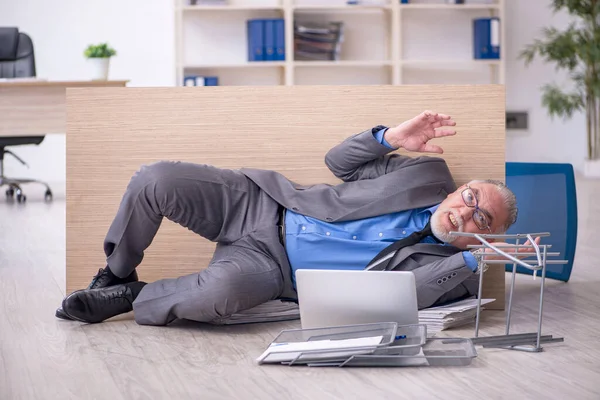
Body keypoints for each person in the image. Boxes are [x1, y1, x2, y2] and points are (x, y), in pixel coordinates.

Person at [57, 110, 533, 326]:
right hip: (264, 201)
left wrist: (474, 262)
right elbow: (339, 163)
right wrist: (388, 137)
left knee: (221, 294)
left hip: (273, 268)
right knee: (155, 178)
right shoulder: (426, 173)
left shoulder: (457, 276)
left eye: (482, 220)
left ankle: (132, 297)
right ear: (456, 187)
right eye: (470, 196)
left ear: (484, 238)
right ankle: (116, 272)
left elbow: (404, 297)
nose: (466, 211)